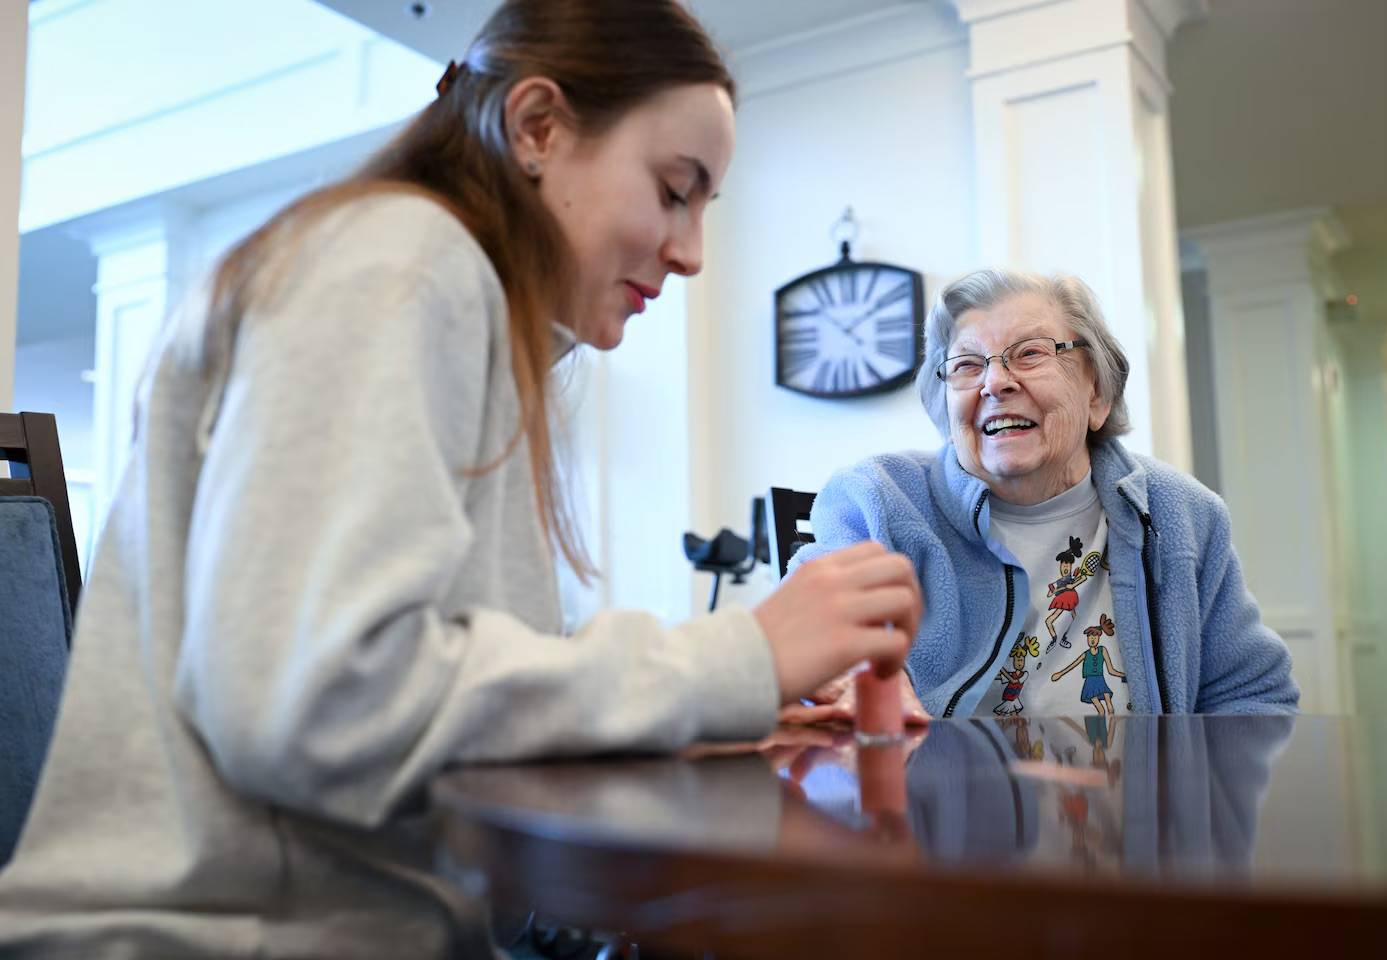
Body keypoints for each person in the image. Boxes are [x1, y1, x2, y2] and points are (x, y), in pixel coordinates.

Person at [0, 2, 921, 956]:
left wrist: (728, 698)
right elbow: (322, 702)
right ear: (537, 128)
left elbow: (432, 691)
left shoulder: (454, 306)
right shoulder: (400, 264)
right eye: (674, 189)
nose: (691, 252)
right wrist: (735, 660)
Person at [783, 268, 1298, 723]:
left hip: (1133, 823)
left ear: (1097, 393)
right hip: (938, 819)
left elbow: (1252, 696)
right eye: (966, 365)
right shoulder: (878, 501)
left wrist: (1193, 817)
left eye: (1030, 354)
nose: (994, 382)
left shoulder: (1180, 514)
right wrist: (850, 682)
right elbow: (799, 651)